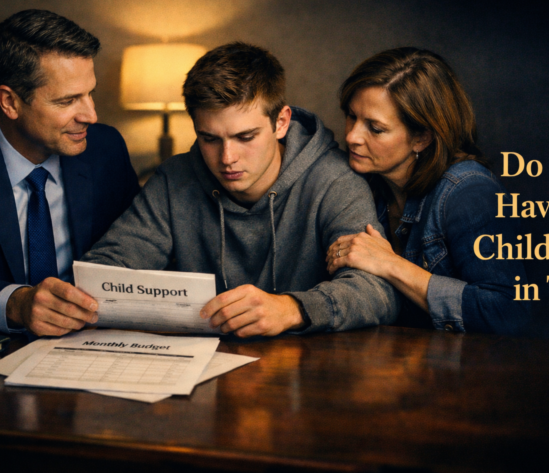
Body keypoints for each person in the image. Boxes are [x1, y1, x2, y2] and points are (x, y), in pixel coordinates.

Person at [83, 42, 398, 337]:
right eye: (209, 138)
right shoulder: (174, 178)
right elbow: (110, 265)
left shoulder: (335, 180)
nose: (227, 158)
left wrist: (292, 308)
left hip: (302, 374)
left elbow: (375, 292)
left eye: (245, 137)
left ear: (281, 122)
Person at [0, 10, 139, 336]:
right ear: (10, 102)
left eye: (90, 93)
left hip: (92, 343)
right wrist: (17, 304)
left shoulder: (106, 149)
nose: (91, 114)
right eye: (68, 100)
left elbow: (137, 249)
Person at [325, 47, 528, 335]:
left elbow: (507, 312)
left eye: (375, 128)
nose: (352, 136)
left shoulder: (469, 192)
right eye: (351, 116)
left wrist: (390, 264)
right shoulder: (363, 183)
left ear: (421, 138)